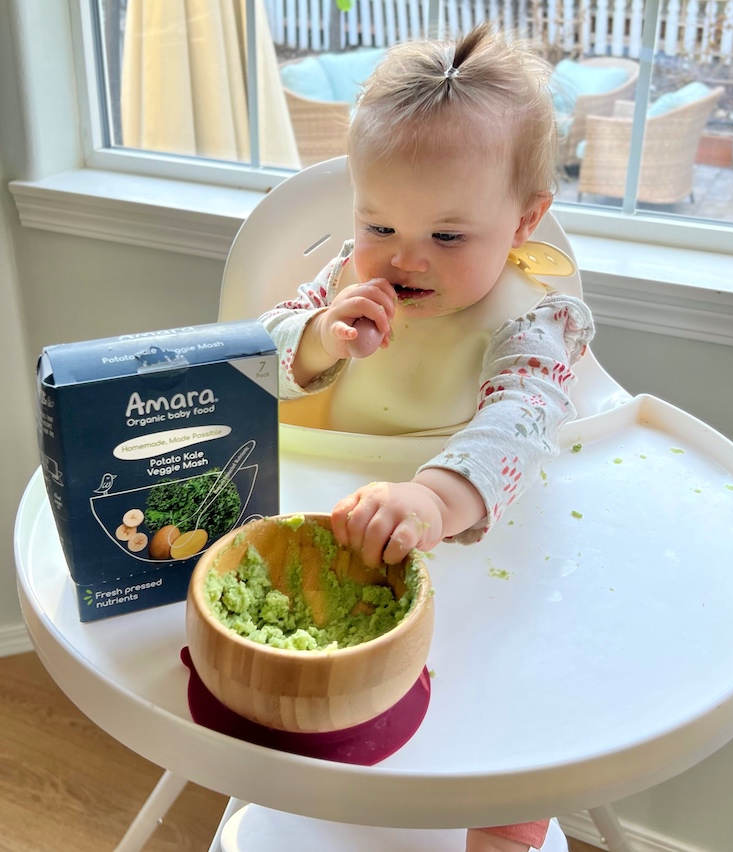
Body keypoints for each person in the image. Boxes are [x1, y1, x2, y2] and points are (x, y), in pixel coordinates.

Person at [260, 22, 594, 852]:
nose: (405, 261)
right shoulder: (347, 280)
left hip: (481, 542)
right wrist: (313, 339)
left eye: (447, 236)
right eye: (380, 227)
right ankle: (325, 789)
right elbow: (252, 360)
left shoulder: (533, 320)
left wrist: (432, 499)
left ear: (525, 221)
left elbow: (518, 423)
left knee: (510, 703)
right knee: (321, 710)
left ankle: (505, 831)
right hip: (339, 514)